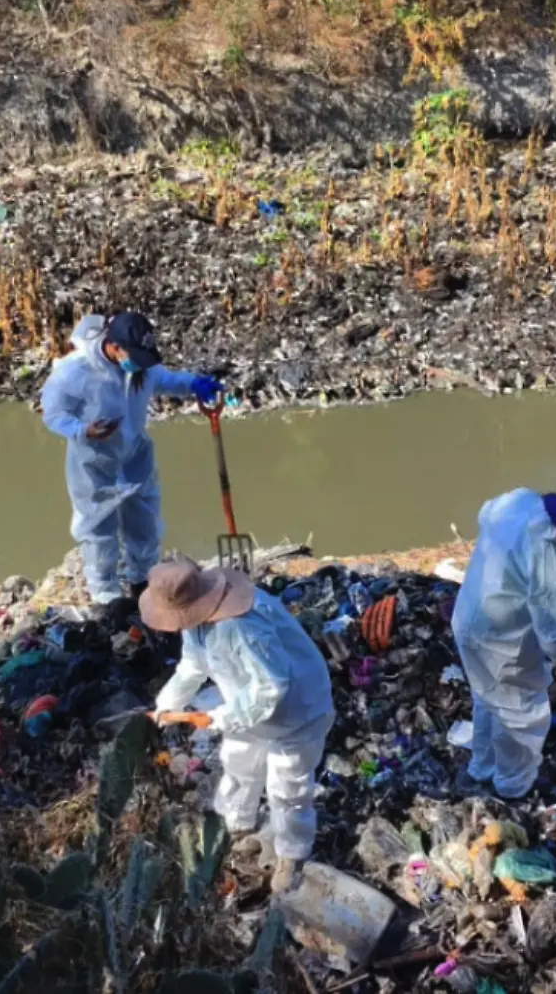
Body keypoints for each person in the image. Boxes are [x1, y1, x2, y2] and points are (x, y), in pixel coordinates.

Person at [144, 557, 333, 892]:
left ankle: (292, 854)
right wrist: (167, 704)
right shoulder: (197, 624)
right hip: (244, 704)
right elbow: (192, 665)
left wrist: (218, 717)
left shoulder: (242, 626)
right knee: (238, 763)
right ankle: (237, 826)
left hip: (296, 711)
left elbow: (272, 686)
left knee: (287, 787)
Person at [39, 312, 221, 618]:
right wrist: (83, 431)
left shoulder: (140, 369)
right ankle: (106, 592)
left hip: (134, 452)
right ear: (113, 346)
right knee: (99, 528)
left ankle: (142, 579)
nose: (138, 363)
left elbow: (164, 380)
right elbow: (53, 414)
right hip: (94, 460)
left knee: (144, 521)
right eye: (133, 356)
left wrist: (195, 384)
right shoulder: (75, 372)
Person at [451, 484, 556, 800]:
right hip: (499, 640)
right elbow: (555, 638)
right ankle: (511, 788)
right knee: (520, 713)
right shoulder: (552, 560)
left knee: (487, 699)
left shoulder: (519, 500)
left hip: (467, 614)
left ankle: (481, 769)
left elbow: (485, 512)